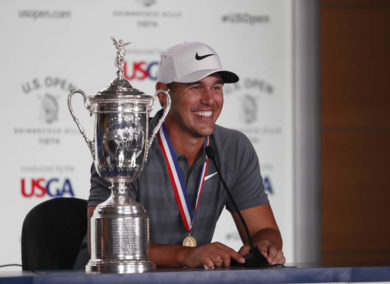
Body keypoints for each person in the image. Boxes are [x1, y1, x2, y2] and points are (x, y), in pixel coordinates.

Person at [80, 41, 285, 269]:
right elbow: (107, 245)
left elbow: (263, 230)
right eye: (195, 87)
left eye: (216, 87)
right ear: (163, 95)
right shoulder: (125, 143)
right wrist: (185, 255)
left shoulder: (234, 148)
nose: (209, 99)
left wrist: (265, 245)